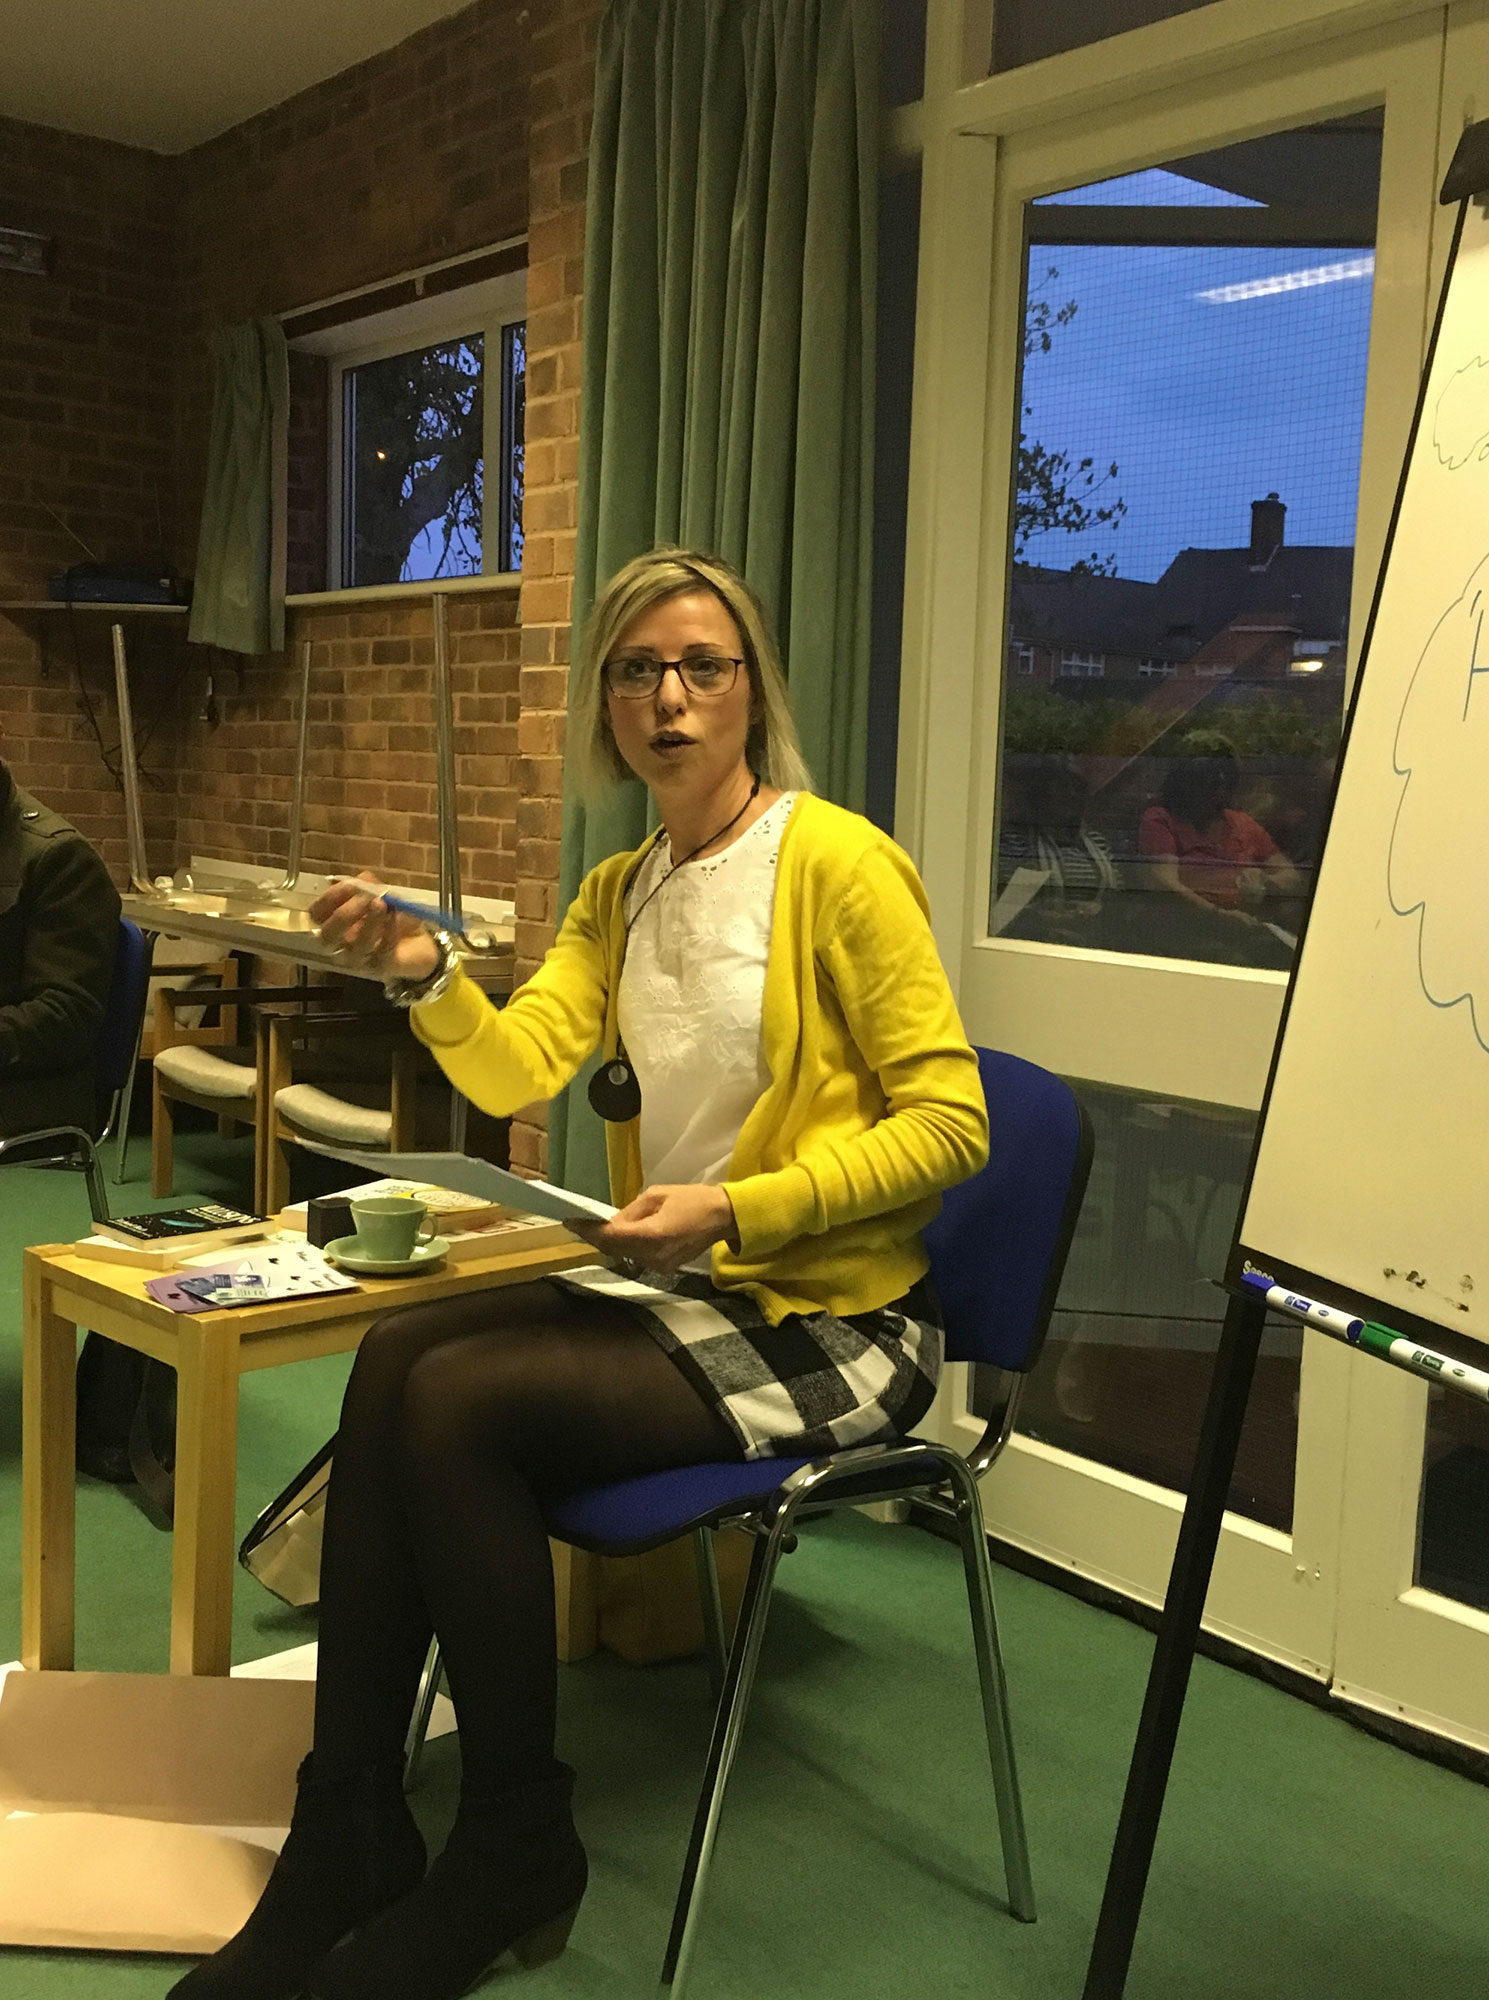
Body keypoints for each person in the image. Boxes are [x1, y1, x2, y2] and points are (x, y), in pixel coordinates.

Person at [171, 548, 988, 2000]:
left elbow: (952, 1124)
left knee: (462, 1405)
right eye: (636, 671)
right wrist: (426, 974)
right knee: (399, 1354)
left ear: (750, 695)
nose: (669, 697)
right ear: (608, 703)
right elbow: (515, 1065)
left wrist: (733, 1205)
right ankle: (349, 1822)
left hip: (838, 1320)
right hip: (693, 1289)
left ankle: (510, 1842)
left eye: (702, 667)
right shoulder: (620, 890)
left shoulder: (839, 865)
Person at [1138, 732, 1302, 966]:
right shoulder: (1160, 819)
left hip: (1251, 931)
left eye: (1224, 775)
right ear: (1183, 779)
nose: (1218, 784)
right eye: (1206, 776)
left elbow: (1292, 877)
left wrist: (1265, 880)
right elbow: (1164, 883)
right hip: (1189, 935)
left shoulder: (1242, 822)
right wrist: (1218, 916)